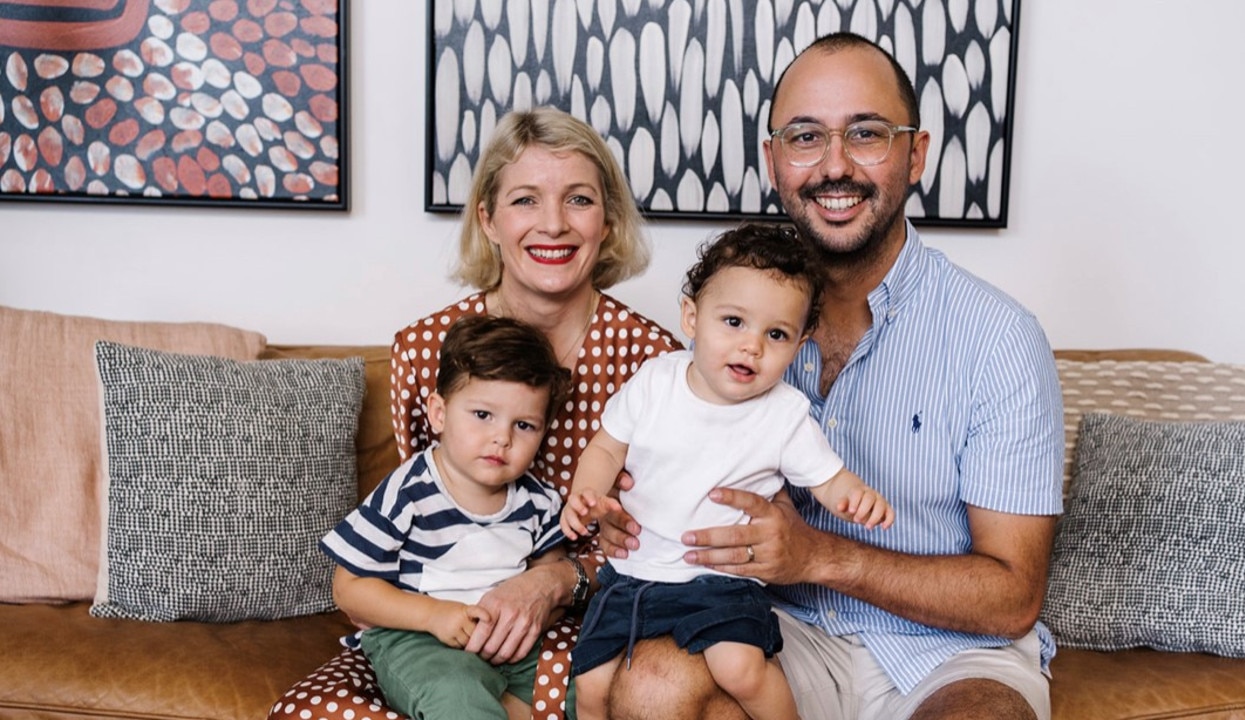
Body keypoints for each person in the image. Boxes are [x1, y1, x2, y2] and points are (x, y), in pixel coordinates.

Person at [599, 32, 1065, 720]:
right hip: (769, 626)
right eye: (806, 136)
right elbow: (659, 472)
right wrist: (635, 522)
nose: (834, 165)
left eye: (867, 133)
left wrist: (819, 555)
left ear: (917, 154)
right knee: (653, 686)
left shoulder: (999, 339)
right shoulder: (730, 333)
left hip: (951, 651)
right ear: (774, 159)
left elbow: (1012, 597)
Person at [269, 106, 680, 720]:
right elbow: (425, 515)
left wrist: (554, 582)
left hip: (583, 620)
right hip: (433, 627)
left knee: (611, 699)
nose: (553, 225)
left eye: (578, 200)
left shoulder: (656, 364)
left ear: (609, 219)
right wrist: (440, 620)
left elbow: (664, 538)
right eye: (524, 200)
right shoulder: (425, 349)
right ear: (487, 218)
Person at [559, 224, 895, 720]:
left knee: (739, 668)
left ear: (800, 343)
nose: (751, 346)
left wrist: (856, 497)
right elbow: (606, 448)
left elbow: (827, 478)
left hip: (720, 581)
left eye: (776, 334)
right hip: (633, 574)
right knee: (590, 685)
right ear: (692, 318)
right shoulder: (655, 382)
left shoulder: (784, 413)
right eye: (734, 321)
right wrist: (585, 492)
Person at [321, 316, 573, 719]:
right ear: (438, 413)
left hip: (508, 640)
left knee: (584, 685)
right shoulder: (409, 492)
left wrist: (527, 621)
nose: (502, 438)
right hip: (419, 637)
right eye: (482, 415)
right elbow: (348, 587)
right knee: (457, 696)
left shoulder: (537, 500)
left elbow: (549, 572)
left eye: (524, 425)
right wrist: (435, 615)